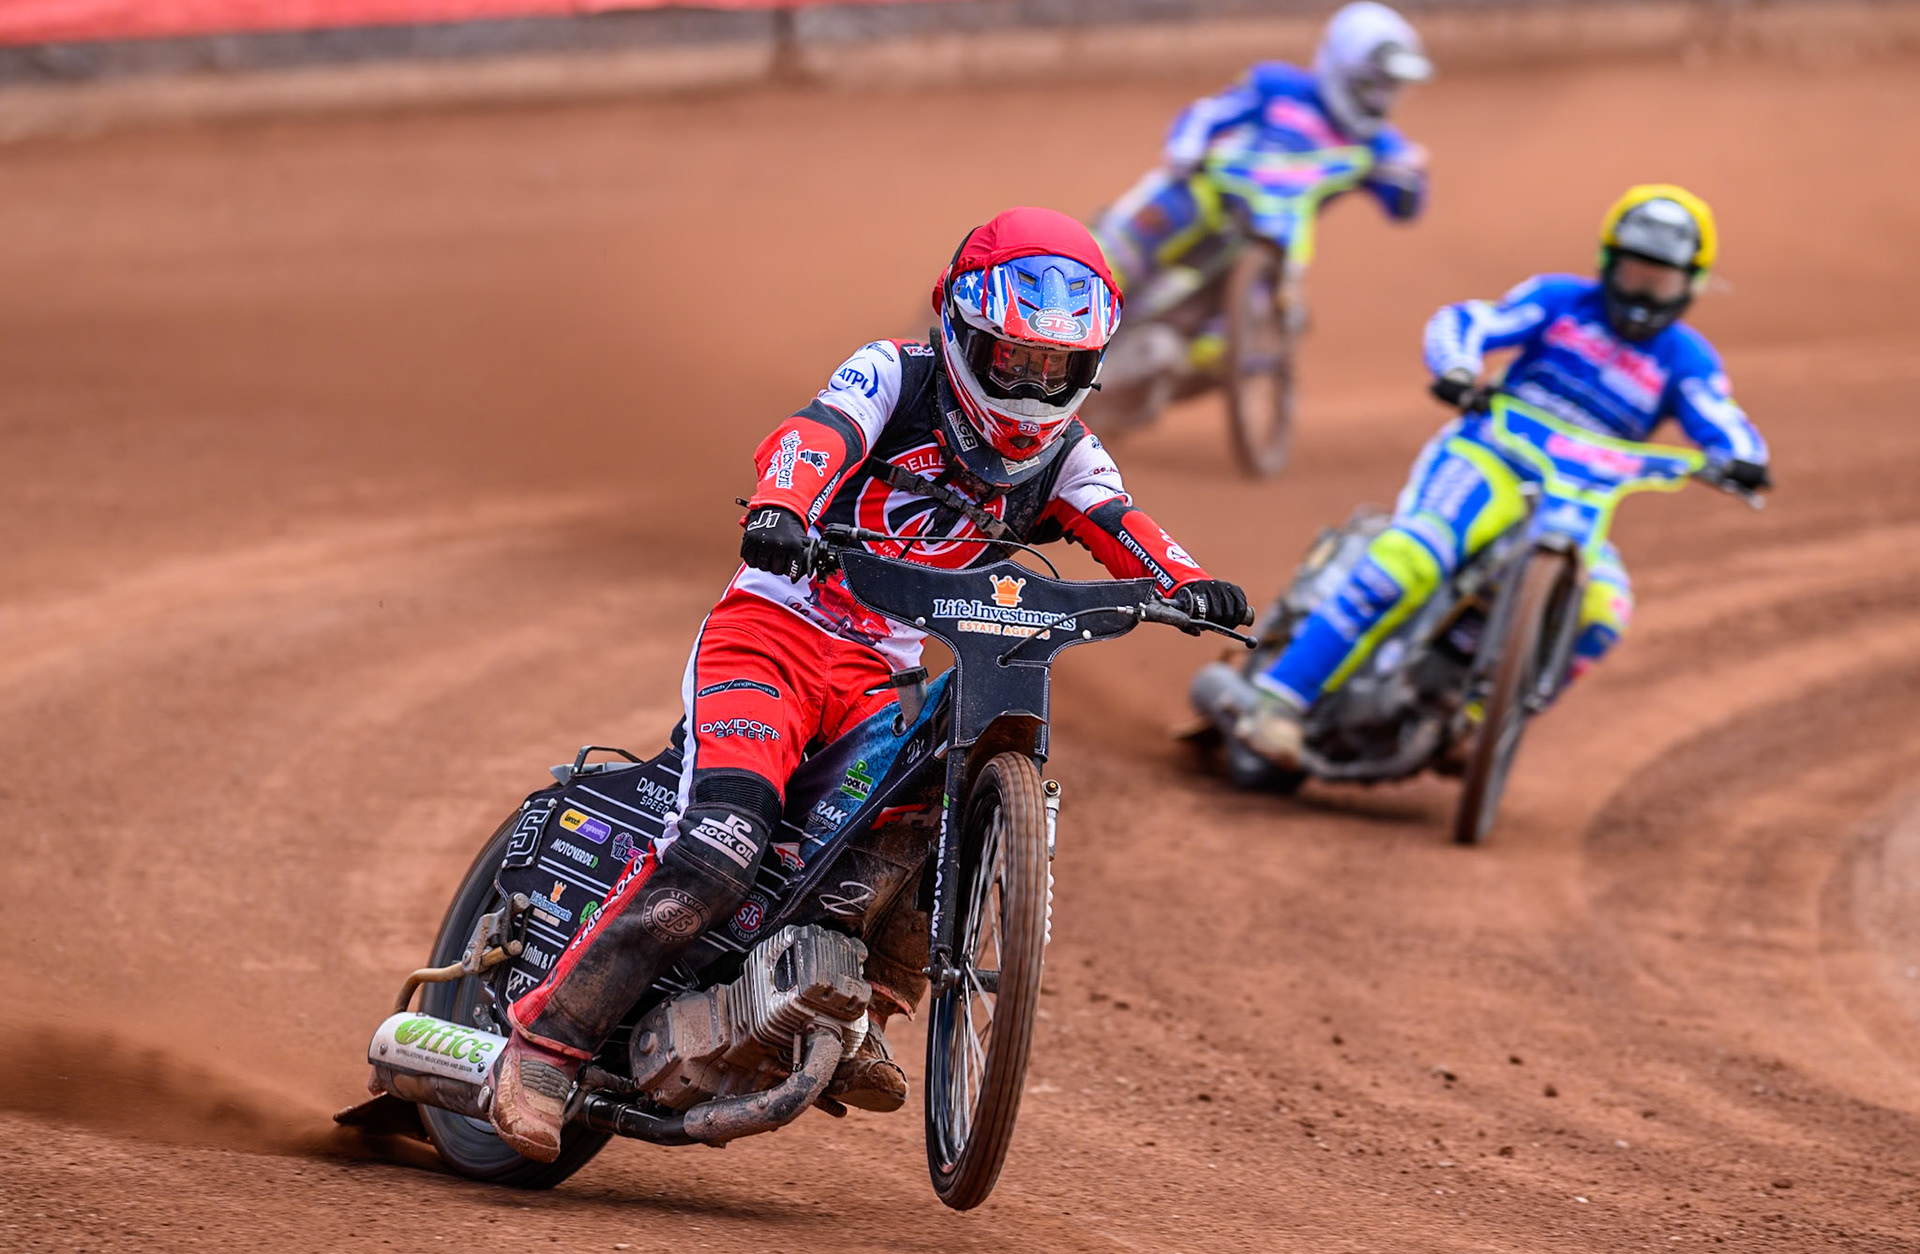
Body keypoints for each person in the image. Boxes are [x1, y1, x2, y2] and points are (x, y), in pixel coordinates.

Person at [488, 207, 1253, 1161]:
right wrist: (783, 506)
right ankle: (544, 1049)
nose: (1030, 387)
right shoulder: (895, 373)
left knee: (928, 808)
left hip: (877, 676)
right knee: (723, 845)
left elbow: (1119, 521)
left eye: (1055, 368)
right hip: (771, 636)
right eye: (1013, 358)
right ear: (961, 328)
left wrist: (1187, 583)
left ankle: (863, 1012)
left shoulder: (1069, 453)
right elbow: (814, 436)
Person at [1237, 184, 1772, 767]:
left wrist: (1743, 458)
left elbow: (1720, 416)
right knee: (1411, 559)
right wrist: (1457, 368)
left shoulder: (1687, 359)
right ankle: (1277, 702)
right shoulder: (1560, 301)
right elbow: (1469, 321)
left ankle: (1478, 724)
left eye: (1659, 280)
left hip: (1576, 497)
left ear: (1690, 284)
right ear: (1608, 262)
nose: (1642, 292)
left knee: (1605, 613)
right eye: (1634, 272)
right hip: (1489, 459)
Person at [1093, 0, 1432, 367]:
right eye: (1373, 83)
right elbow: (1209, 113)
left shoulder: (1379, 143)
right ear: (1344, 69)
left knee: (1249, 325)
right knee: (1147, 227)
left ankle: (1171, 365)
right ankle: (1087, 281)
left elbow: (1404, 203)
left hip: (1273, 241)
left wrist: (1412, 180)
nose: (1381, 97)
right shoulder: (1278, 86)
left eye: (1392, 87)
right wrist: (1186, 146)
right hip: (1213, 190)